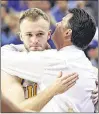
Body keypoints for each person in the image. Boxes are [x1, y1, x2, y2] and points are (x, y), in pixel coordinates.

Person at [1, 8, 98, 112]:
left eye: (62, 21)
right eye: (29, 34)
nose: (57, 23)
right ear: (21, 36)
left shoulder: (54, 60)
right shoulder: (78, 60)